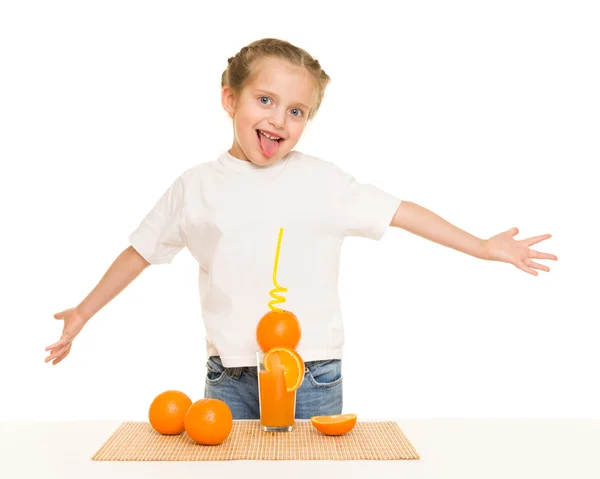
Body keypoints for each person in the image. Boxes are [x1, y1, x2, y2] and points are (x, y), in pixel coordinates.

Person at [45, 38, 557, 420]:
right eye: (264, 101)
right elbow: (140, 251)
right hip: (228, 378)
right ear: (230, 99)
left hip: (311, 373)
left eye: (297, 111)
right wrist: (85, 311)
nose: (279, 120)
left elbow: (402, 212)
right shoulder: (195, 186)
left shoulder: (322, 181)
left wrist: (483, 246)